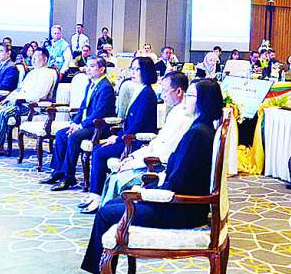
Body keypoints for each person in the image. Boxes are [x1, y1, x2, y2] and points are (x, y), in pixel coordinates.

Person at [68, 79, 224, 274]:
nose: (186, 101)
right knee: (111, 204)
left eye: (190, 96)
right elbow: (179, 176)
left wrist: (148, 193)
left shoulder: (198, 134)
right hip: (185, 204)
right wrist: (150, 188)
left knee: (105, 213)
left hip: (181, 209)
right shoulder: (202, 129)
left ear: (203, 101)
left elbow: (178, 182)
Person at [88, 72, 194, 211]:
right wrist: (132, 157)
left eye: (165, 91)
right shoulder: (176, 112)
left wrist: (133, 163)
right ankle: (106, 209)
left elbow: (164, 151)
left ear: (179, 91)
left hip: (157, 164)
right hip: (148, 154)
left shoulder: (184, 118)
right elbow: (157, 142)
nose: (162, 96)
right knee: (111, 167)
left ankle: (114, 213)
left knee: (117, 178)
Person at [79, 59, 159, 202]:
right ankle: (95, 195)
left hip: (136, 141)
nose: (132, 72)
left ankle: (96, 196)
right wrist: (117, 135)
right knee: (98, 150)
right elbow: (130, 123)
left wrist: (117, 137)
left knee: (99, 153)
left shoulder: (147, 94)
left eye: (136, 69)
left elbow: (138, 124)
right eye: (132, 69)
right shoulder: (139, 90)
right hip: (128, 136)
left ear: (145, 71)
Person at [42, 56, 116, 191]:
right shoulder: (91, 84)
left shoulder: (106, 87)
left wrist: (80, 126)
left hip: (100, 126)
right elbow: (83, 108)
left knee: (74, 136)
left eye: (92, 66)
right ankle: (58, 172)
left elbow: (99, 113)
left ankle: (68, 177)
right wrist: (74, 123)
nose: (88, 69)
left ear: (101, 69)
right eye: (87, 66)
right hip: (88, 124)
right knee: (61, 134)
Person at [0, 49, 59, 156]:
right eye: (33, 57)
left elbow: (39, 95)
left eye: (36, 57)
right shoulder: (32, 72)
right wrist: (7, 99)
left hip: (31, 106)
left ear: (45, 59)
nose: (33, 59)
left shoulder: (47, 74)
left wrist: (19, 99)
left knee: (0, 113)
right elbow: (19, 90)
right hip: (19, 103)